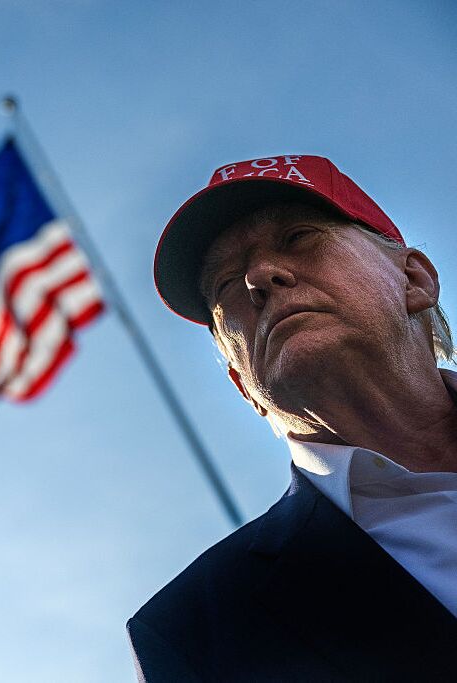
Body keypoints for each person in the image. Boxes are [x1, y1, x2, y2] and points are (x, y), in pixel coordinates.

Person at [128, 155, 457, 681]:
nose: (259, 276)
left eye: (299, 236)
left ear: (413, 278)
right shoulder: (197, 628)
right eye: (226, 285)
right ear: (243, 385)